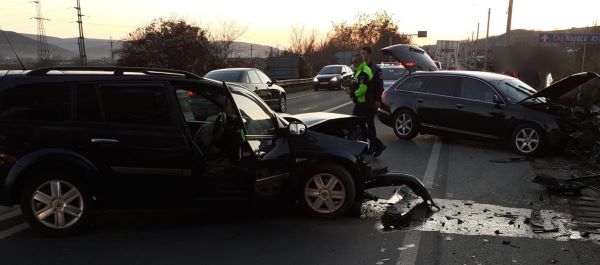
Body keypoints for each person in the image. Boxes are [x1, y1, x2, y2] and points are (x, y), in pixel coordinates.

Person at [350, 53, 386, 157]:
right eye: (352, 62)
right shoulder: (360, 70)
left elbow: (363, 88)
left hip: (363, 103)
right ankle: (372, 146)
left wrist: (354, 94)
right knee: (362, 126)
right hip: (363, 102)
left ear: (359, 61)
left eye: (354, 62)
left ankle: (376, 145)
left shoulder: (363, 71)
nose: (353, 64)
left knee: (358, 125)